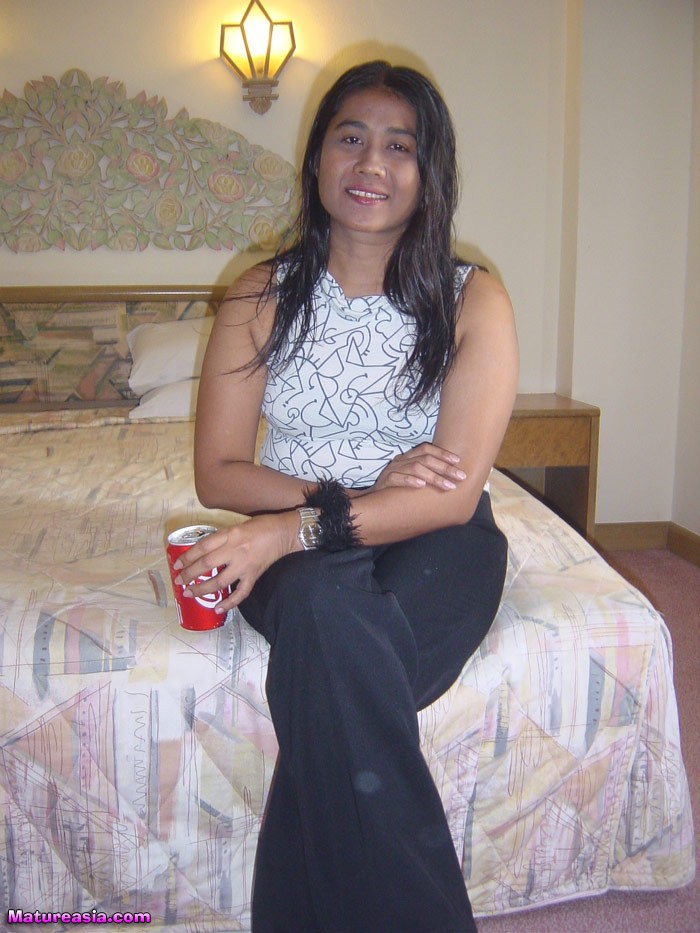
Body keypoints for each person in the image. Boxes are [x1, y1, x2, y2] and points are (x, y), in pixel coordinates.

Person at [173, 60, 519, 933]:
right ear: (318, 156)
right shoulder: (260, 294)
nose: (372, 163)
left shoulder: (473, 298)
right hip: (301, 553)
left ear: (430, 171)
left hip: (438, 542)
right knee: (331, 623)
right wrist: (331, 506)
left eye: (401, 146)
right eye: (351, 138)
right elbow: (220, 470)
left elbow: (450, 496)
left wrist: (291, 528)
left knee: (332, 676)